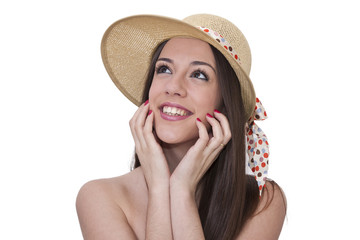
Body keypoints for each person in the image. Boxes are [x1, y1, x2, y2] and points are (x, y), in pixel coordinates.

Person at [76, 14, 286, 240]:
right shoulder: (99, 197)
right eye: (164, 69)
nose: (173, 87)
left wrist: (181, 192)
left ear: (225, 105)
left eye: (198, 74)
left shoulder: (262, 201)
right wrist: (158, 188)